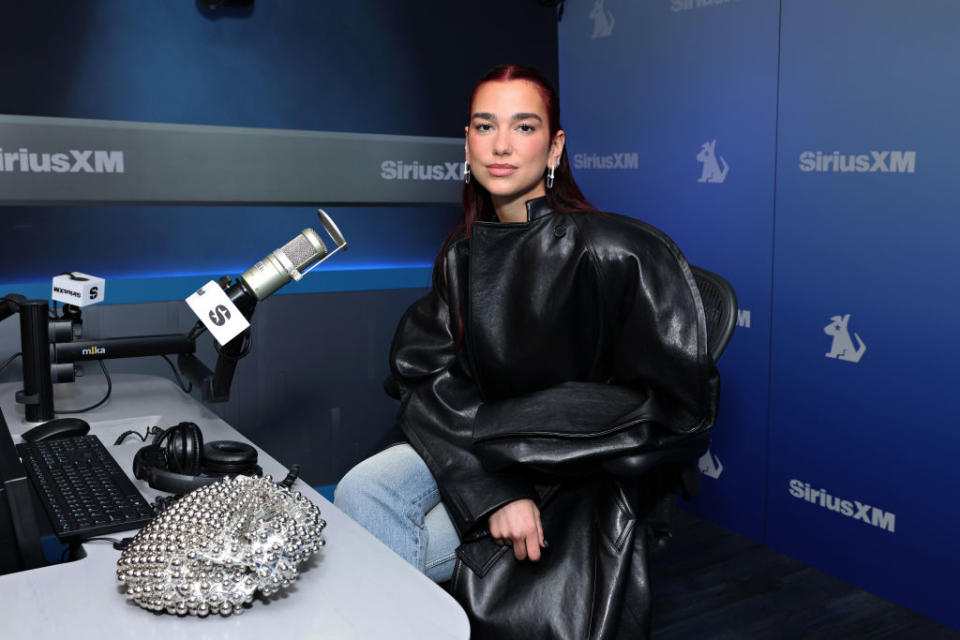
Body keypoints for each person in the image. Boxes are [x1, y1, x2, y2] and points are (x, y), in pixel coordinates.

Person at [335, 64, 718, 638]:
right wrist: (495, 492)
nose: (502, 146)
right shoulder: (462, 256)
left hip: (572, 474)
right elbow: (425, 373)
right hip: (482, 450)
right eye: (485, 127)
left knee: (383, 561)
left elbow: (676, 403)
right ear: (466, 142)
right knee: (360, 490)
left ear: (555, 145)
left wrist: (527, 457)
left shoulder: (617, 251)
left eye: (524, 126)